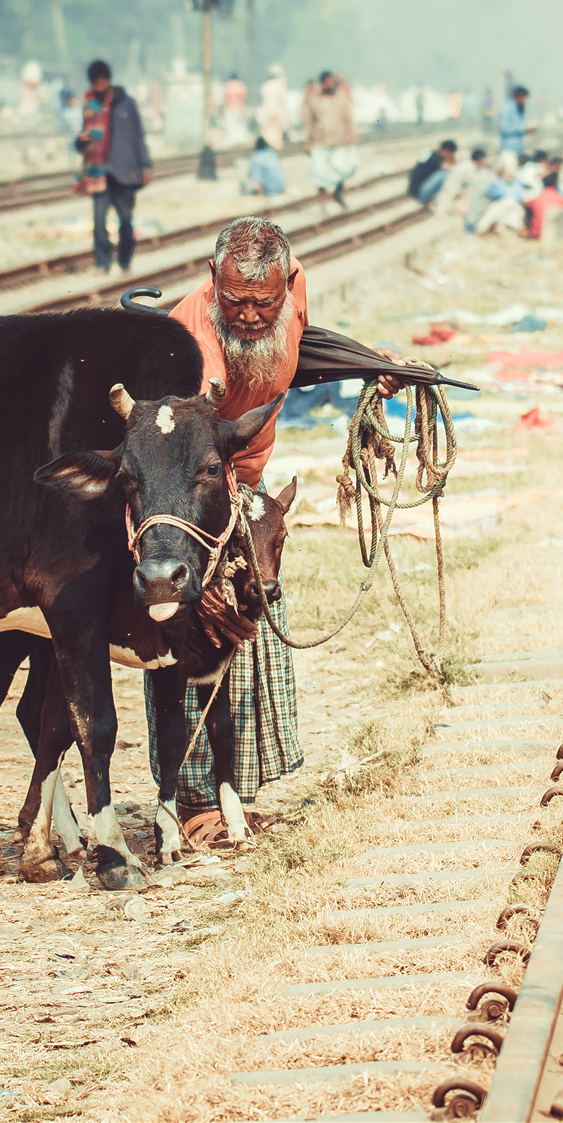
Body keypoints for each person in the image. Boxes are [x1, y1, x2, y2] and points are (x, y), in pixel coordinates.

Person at [157, 217, 400, 838]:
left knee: (258, 619)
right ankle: (192, 801)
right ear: (214, 280)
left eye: (264, 303)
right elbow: (176, 456)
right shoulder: (191, 344)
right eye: (234, 301)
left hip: (248, 485)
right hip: (196, 493)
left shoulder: (291, 297)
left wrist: (373, 366)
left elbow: (301, 343)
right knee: (198, 626)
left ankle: (236, 790)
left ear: (288, 284)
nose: (250, 317)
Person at [73, 59, 152, 273]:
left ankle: (125, 260)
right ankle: (102, 263)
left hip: (125, 173)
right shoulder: (90, 105)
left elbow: (138, 136)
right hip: (99, 173)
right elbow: (85, 137)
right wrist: (80, 141)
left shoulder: (126, 103)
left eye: (101, 82)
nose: (97, 87)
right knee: (99, 222)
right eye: (94, 83)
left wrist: (145, 165)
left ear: (107, 80)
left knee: (126, 221)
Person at [301, 71, 357, 210]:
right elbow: (311, 123)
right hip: (320, 143)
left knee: (343, 170)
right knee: (319, 174)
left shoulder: (341, 99)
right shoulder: (315, 101)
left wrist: (351, 136)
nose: (329, 85)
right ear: (322, 84)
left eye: (331, 82)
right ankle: (322, 204)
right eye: (326, 82)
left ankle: (338, 193)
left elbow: (348, 119)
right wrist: (308, 141)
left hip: (338, 142)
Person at [408, 138, 457, 205]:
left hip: (420, 191)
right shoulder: (434, 156)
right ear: (445, 151)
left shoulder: (432, 156)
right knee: (445, 174)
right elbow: (451, 168)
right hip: (419, 193)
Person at [526, 171, 563, 240]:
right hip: (554, 235)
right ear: (555, 183)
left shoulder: (536, 199)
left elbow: (526, 205)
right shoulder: (561, 200)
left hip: (536, 235)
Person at [497, 85, 534, 159]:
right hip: (508, 150)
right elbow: (504, 128)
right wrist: (524, 129)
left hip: (518, 150)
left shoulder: (519, 108)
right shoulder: (506, 108)